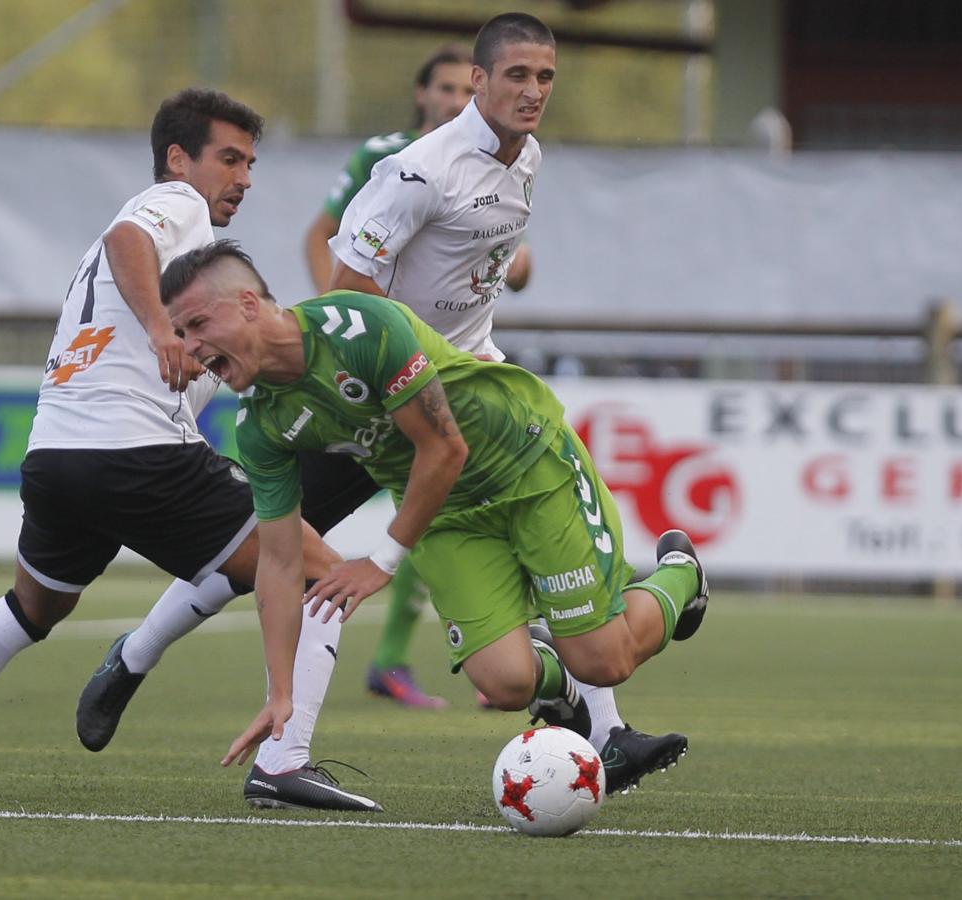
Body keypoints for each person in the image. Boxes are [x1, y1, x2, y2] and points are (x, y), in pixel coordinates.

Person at [0, 88, 381, 813]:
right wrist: (160, 329)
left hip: (58, 456)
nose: (243, 177)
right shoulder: (174, 204)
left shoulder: (177, 263)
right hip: (138, 451)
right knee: (322, 573)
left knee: (30, 609)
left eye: (250, 162)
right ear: (178, 159)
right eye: (228, 158)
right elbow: (132, 237)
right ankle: (284, 760)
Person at [155, 240, 710, 779]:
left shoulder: (361, 328)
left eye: (198, 325)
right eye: (180, 332)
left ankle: (683, 575)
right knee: (506, 684)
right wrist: (281, 693)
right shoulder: (259, 425)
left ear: (249, 305)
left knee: (603, 661)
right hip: (447, 515)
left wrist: (381, 561)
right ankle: (556, 681)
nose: (190, 347)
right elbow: (278, 562)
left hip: (528, 463)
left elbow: (444, 447)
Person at [320, 12, 687, 791]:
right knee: (500, 680)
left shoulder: (528, 158)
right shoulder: (416, 173)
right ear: (477, 81)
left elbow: (474, 268)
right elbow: (342, 300)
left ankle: (665, 607)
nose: (532, 91)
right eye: (515, 75)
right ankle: (267, 730)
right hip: (412, 411)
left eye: (544, 77)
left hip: (492, 403)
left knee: (593, 640)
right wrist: (380, 396)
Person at [304, 41, 533, 712]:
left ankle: (554, 686)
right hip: (373, 378)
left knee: (463, 508)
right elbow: (328, 245)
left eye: (542, 77)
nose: (450, 101)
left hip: (451, 372)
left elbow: (511, 263)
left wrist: (505, 260)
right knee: (270, 530)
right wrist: (333, 330)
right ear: (428, 94)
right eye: (441, 89)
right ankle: (144, 648)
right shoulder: (394, 163)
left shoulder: (511, 160)